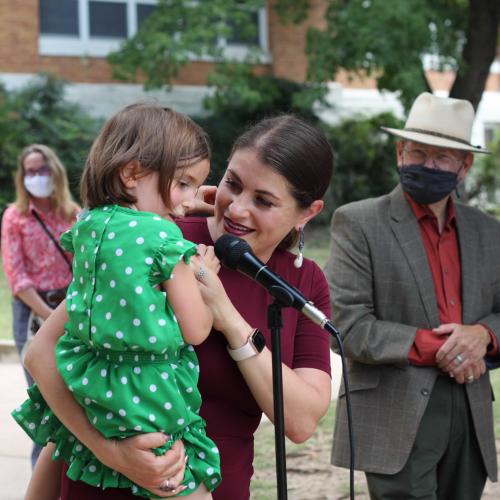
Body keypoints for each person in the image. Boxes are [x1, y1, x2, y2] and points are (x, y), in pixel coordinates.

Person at [22, 114, 334, 499]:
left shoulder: (302, 283)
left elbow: (301, 421)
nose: (236, 209)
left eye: (263, 201)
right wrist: (113, 453)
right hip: (102, 479)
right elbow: (44, 354)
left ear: (307, 213)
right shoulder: (156, 235)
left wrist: (229, 320)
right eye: (231, 184)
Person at [12, 103, 222, 499]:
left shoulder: (90, 230)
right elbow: (196, 330)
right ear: (130, 172)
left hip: (94, 400)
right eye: (183, 184)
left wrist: (179, 195)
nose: (187, 200)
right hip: (151, 402)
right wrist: (203, 277)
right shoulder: (164, 242)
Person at [327, 92, 500, 499]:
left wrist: (483, 336)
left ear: (465, 165)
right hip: (394, 411)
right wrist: (444, 347)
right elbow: (347, 324)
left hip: (470, 409)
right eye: (417, 152)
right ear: (399, 152)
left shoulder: (490, 233)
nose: (428, 165)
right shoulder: (358, 222)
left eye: (442, 158)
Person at [1, 144, 79, 467]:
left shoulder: (72, 213)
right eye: (29, 171)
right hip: (32, 311)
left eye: (41, 170)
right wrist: (51, 317)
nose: (36, 177)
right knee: (44, 394)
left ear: (55, 171)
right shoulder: (15, 216)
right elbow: (17, 278)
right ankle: (42, 473)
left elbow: (83, 266)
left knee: (73, 391)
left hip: (68, 305)